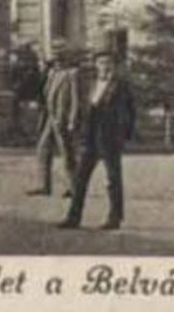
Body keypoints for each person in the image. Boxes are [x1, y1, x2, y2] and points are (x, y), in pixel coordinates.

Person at [58, 50, 136, 231]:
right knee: (80, 178)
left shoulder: (120, 86)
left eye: (108, 63)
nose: (105, 66)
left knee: (113, 179)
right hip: (90, 138)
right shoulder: (90, 84)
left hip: (110, 139)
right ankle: (73, 217)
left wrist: (124, 135)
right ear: (96, 65)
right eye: (101, 62)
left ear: (114, 66)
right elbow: (84, 108)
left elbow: (130, 112)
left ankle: (115, 218)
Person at [27, 46, 80, 198]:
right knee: (43, 149)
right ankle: (43, 185)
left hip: (61, 118)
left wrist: (72, 119)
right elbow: (45, 93)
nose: (56, 58)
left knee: (67, 152)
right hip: (49, 117)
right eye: (55, 54)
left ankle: (74, 187)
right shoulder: (51, 73)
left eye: (60, 54)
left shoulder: (71, 74)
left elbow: (75, 99)